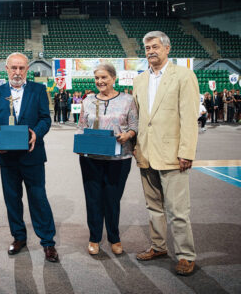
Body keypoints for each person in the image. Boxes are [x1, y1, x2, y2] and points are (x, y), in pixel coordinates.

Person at [133, 31, 199, 276]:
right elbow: (140, 118)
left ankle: (186, 255)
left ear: (167, 49)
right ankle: (159, 246)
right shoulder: (139, 80)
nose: (150, 51)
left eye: (155, 46)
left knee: (179, 211)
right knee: (153, 207)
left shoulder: (184, 76)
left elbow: (189, 118)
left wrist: (186, 152)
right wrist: (136, 147)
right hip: (146, 153)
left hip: (173, 154)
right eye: (147, 47)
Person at [0, 52, 59, 263]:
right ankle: (18, 237)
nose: (17, 72)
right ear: (6, 68)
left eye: (22, 68)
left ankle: (48, 242)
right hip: (7, 156)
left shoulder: (38, 90)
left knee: (38, 198)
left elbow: (46, 118)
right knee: (12, 200)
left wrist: (37, 132)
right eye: (14, 68)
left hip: (32, 154)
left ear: (27, 69)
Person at [77, 62, 138, 255]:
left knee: (112, 199)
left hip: (119, 158)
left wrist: (127, 135)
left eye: (104, 77)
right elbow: (81, 126)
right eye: (97, 78)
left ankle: (114, 238)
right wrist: (80, 143)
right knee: (93, 199)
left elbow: (135, 126)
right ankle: (94, 238)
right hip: (91, 158)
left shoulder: (128, 100)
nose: (100, 81)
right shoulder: (87, 100)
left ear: (113, 78)